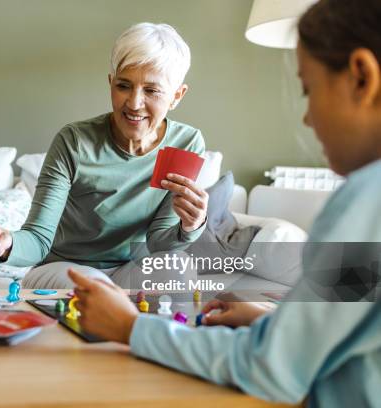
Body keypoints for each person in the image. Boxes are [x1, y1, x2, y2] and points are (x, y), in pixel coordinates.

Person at [68, 0, 381, 406]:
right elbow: (344, 321)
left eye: (309, 89)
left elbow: (269, 369)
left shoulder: (365, 205)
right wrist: (272, 322)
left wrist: (130, 328)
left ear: (361, 77)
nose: (307, 119)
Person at [0, 23, 209, 289]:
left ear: (176, 95)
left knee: (178, 269)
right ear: (110, 83)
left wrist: (191, 226)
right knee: (95, 288)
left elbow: (160, 244)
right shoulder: (74, 141)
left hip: (129, 271)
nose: (134, 103)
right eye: (123, 85)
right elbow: (38, 239)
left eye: (151, 91)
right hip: (62, 268)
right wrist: (5, 244)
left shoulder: (186, 143)